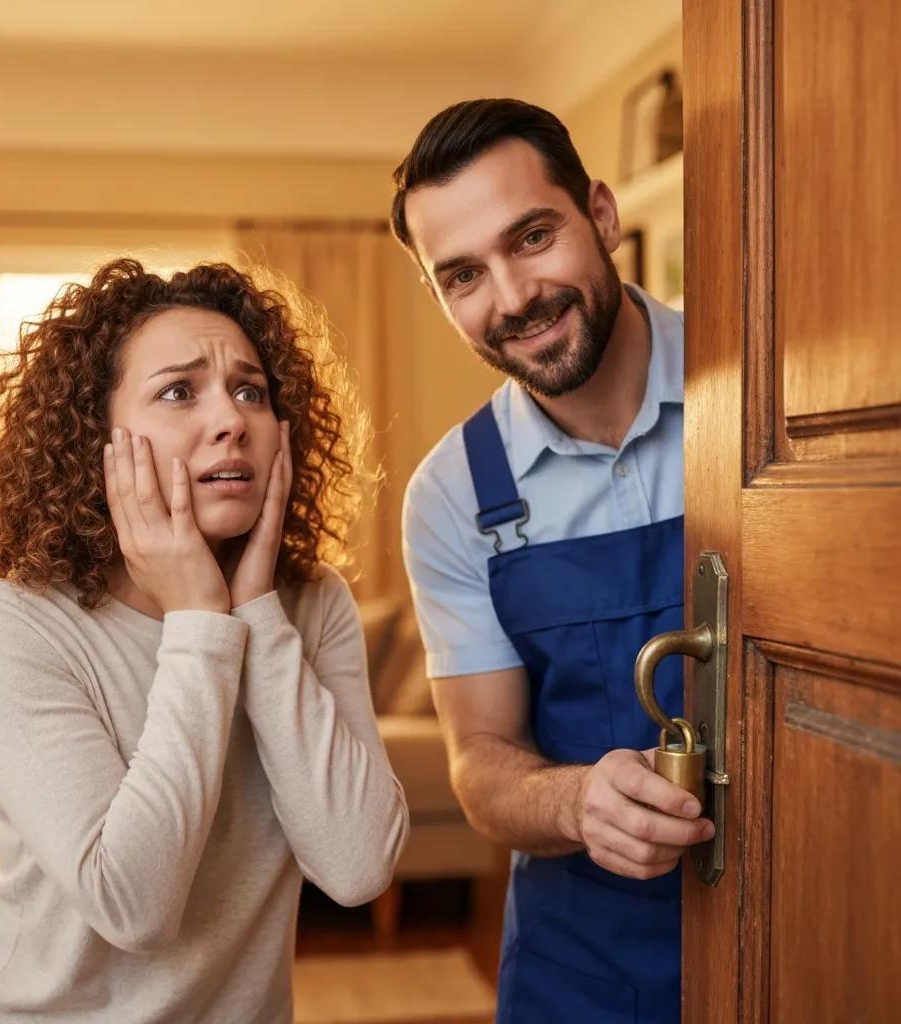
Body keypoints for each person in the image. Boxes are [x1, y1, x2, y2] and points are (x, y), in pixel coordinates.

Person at [0, 257, 408, 1023]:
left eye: (250, 391)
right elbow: (131, 904)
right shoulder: (10, 623)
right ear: (94, 438)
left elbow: (359, 866)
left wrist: (256, 613)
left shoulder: (312, 604)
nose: (230, 419)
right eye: (178, 391)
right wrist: (201, 621)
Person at [390, 99, 713, 1023]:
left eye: (532, 236)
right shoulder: (453, 496)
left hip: (812, 928)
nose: (513, 296)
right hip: (582, 976)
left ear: (602, 216)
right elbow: (480, 761)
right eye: (463, 276)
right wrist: (577, 802)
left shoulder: (770, 401)